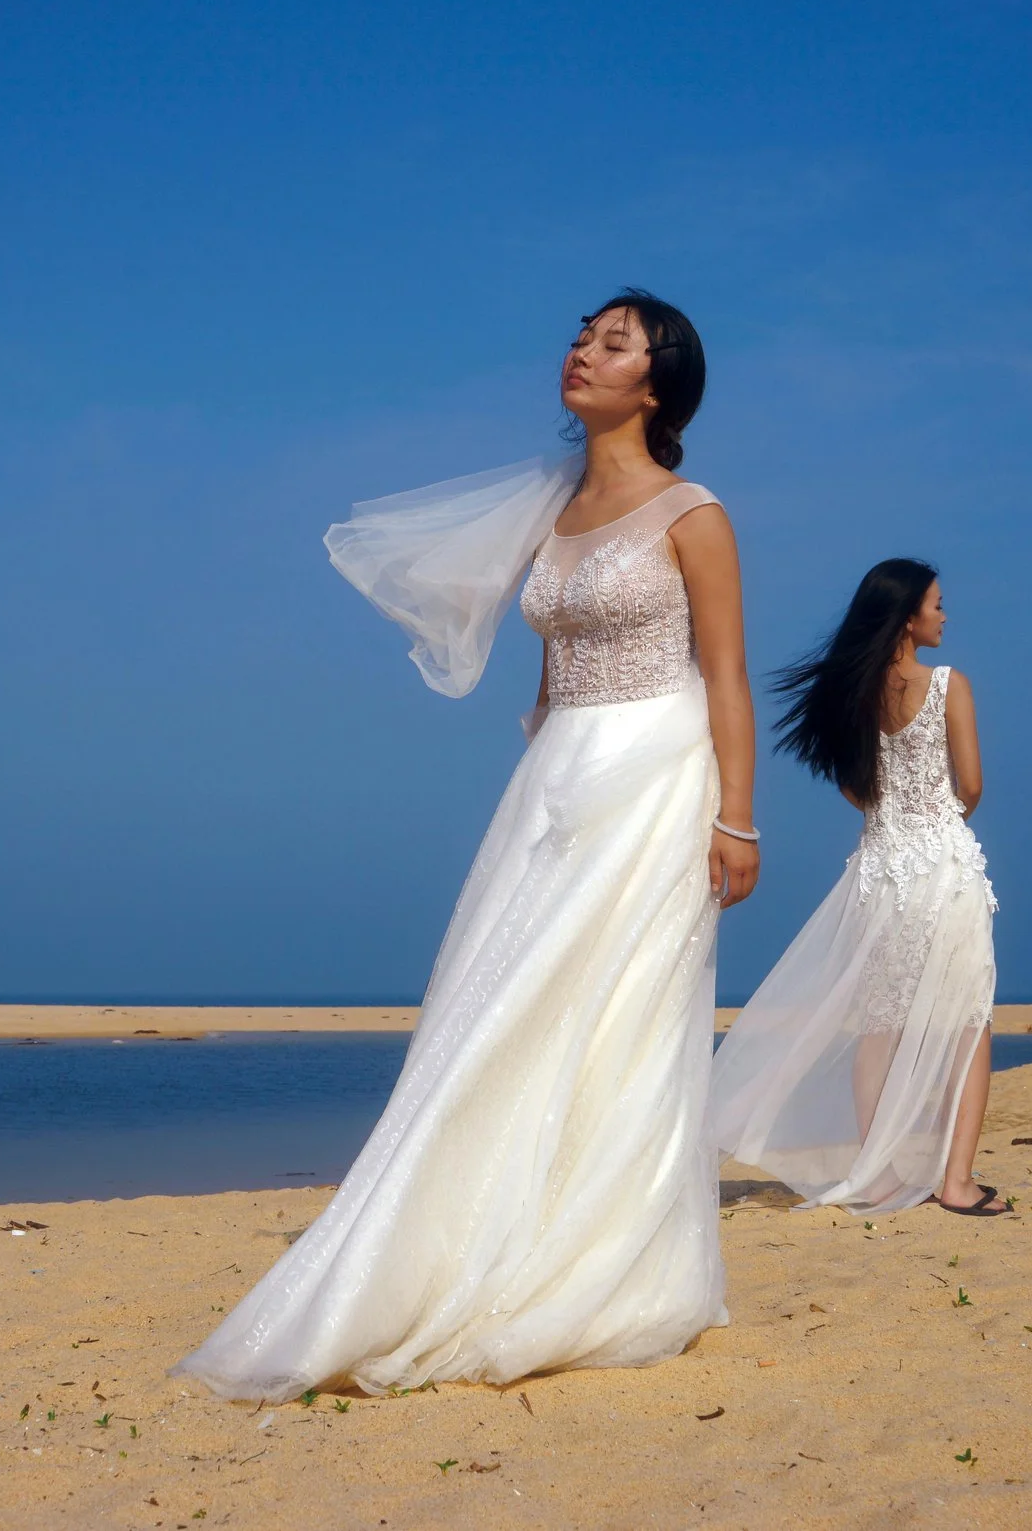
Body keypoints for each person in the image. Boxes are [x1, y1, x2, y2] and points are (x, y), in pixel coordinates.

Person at [176, 291, 757, 1401]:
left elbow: (725, 673)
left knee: (624, 1010)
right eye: (581, 336)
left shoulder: (695, 514)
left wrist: (737, 816)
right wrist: (543, 767)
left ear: (657, 384)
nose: (583, 352)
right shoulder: (553, 509)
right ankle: (474, 1230)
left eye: (615, 344)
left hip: (656, 773)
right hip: (558, 777)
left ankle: (616, 1258)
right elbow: (550, 663)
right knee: (499, 1003)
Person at [707, 560, 1007, 1216]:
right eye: (936, 604)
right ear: (907, 616)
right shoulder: (949, 685)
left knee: (880, 1026)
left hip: (880, 870)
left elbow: (854, 788)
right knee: (968, 1022)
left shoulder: (854, 697)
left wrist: (893, 818)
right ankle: (956, 1182)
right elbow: (972, 785)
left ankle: (876, 1176)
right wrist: (936, 820)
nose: (944, 615)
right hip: (943, 868)